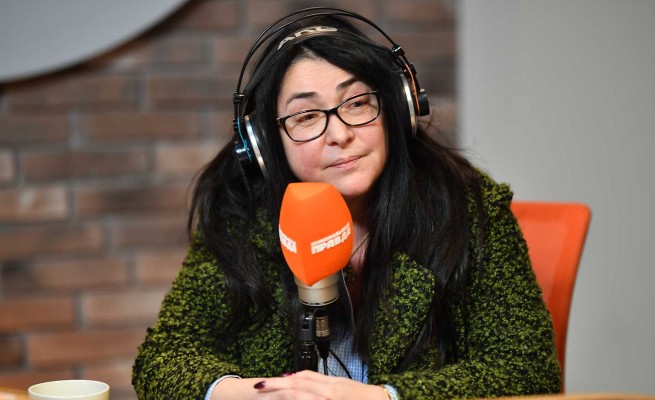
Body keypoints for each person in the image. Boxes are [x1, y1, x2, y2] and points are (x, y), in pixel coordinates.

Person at [132, 7, 561, 400]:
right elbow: (162, 358)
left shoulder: (465, 207)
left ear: (397, 107)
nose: (339, 134)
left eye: (356, 103)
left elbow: (528, 368)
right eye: (306, 116)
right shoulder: (243, 219)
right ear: (265, 144)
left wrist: (382, 397)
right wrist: (260, 394)